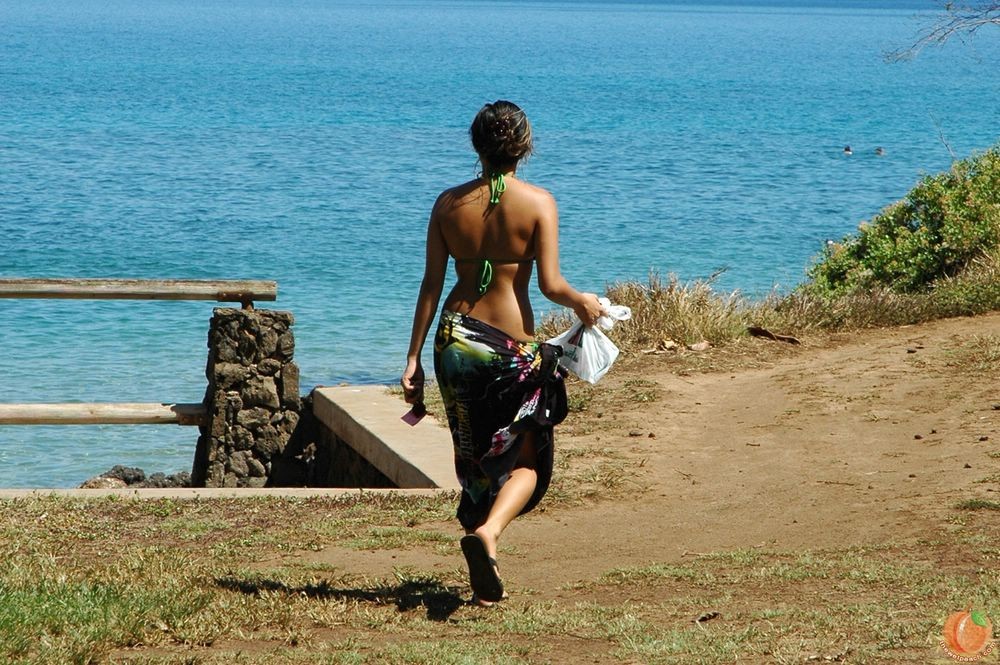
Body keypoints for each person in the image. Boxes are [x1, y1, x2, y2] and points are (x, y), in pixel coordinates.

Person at [401, 100, 603, 605]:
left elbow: (430, 285)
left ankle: (482, 541)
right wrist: (584, 302)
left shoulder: (447, 205)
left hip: (454, 341)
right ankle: (489, 533)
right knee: (527, 456)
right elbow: (553, 285)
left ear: (476, 144)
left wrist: (412, 358)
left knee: (472, 455)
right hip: (510, 348)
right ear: (525, 146)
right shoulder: (538, 203)